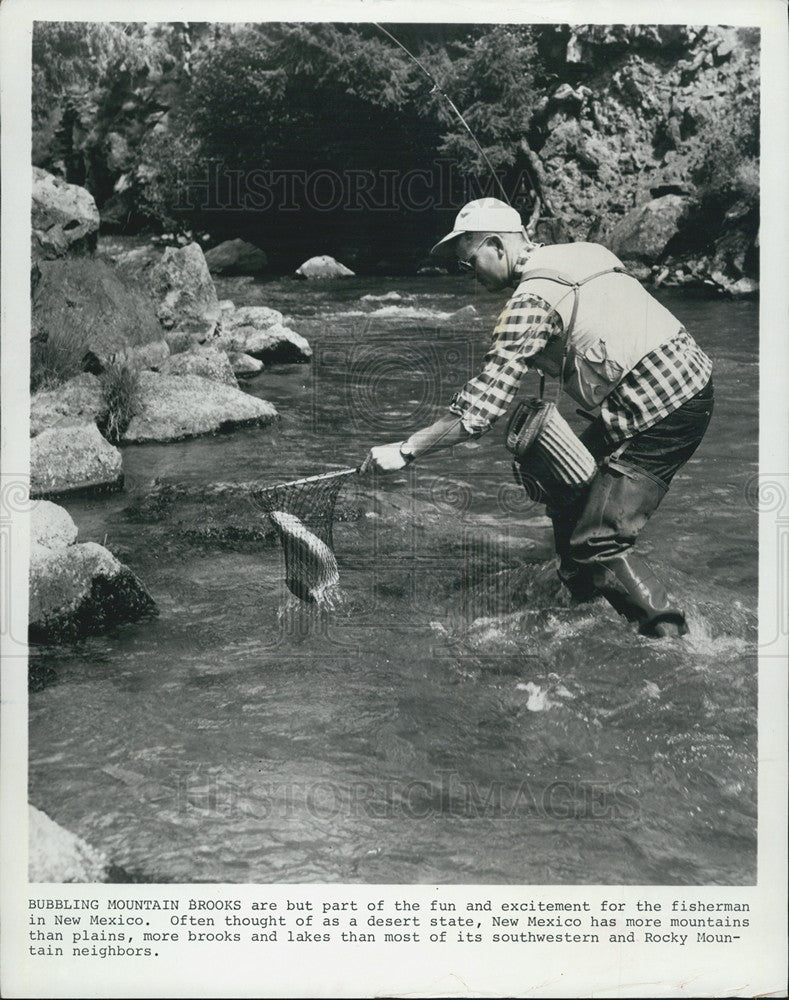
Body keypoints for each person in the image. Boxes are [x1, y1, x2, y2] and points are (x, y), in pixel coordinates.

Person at [360, 198, 714, 638]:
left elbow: (477, 413)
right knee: (564, 492)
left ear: (496, 245)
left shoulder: (528, 304)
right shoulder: (587, 251)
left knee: (598, 540)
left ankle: (671, 640)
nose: (471, 276)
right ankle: (580, 602)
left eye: (471, 263)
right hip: (691, 380)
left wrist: (406, 450)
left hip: (660, 409)